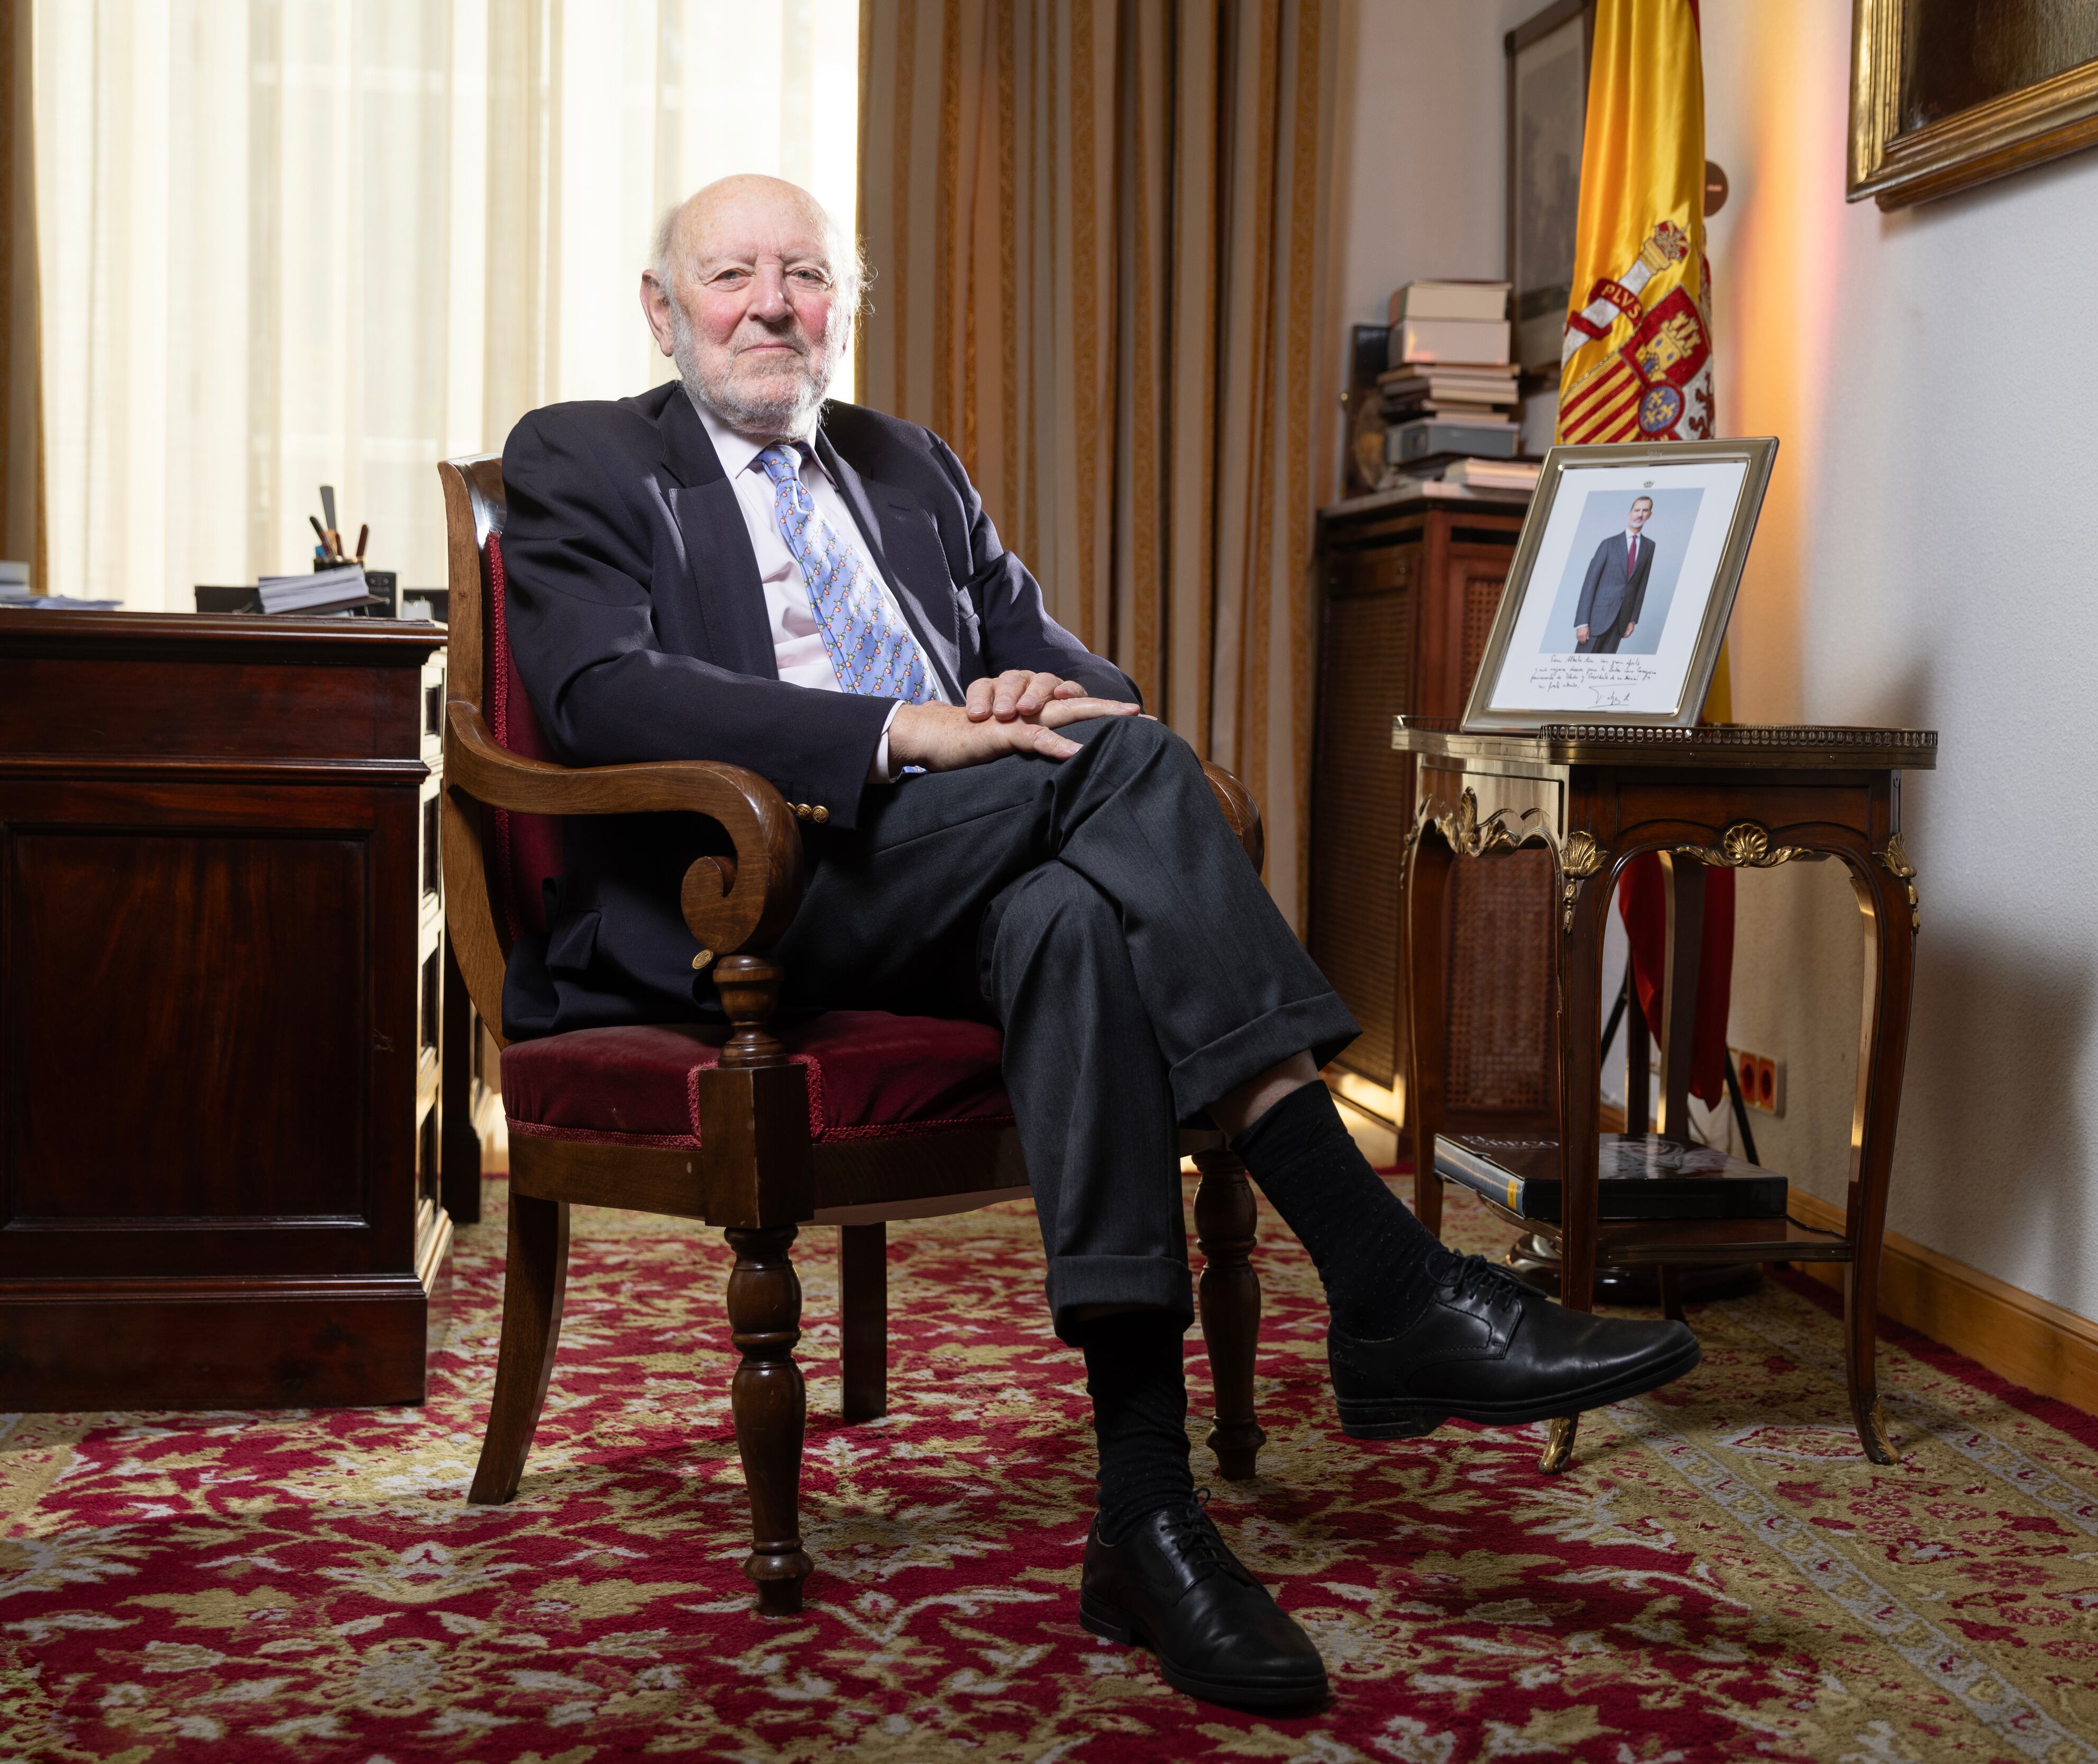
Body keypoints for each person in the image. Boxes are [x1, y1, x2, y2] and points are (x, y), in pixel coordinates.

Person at [497, 175, 1700, 1713]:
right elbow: (601, 695)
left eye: (804, 274)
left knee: (1076, 907)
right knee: (1127, 783)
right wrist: (906, 727)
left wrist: (1023, 704)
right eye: (730, 275)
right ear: (663, 309)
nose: (772, 304)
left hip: (965, 857)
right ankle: (1385, 1277)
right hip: (753, 887)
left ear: (839, 308)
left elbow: (1079, 669)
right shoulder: (587, 454)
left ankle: (1143, 1512)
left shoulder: (904, 464)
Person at [1571, 495, 1657, 653]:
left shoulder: (1649, 546)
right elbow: (1590, 583)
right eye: (1637, 510)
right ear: (1629, 514)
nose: (1640, 514)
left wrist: (1632, 619)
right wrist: (1583, 622)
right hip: (1596, 620)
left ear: (1649, 515)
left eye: (1645, 511)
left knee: (1605, 672)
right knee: (1579, 669)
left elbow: (1641, 585)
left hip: (1621, 621)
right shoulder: (1608, 544)